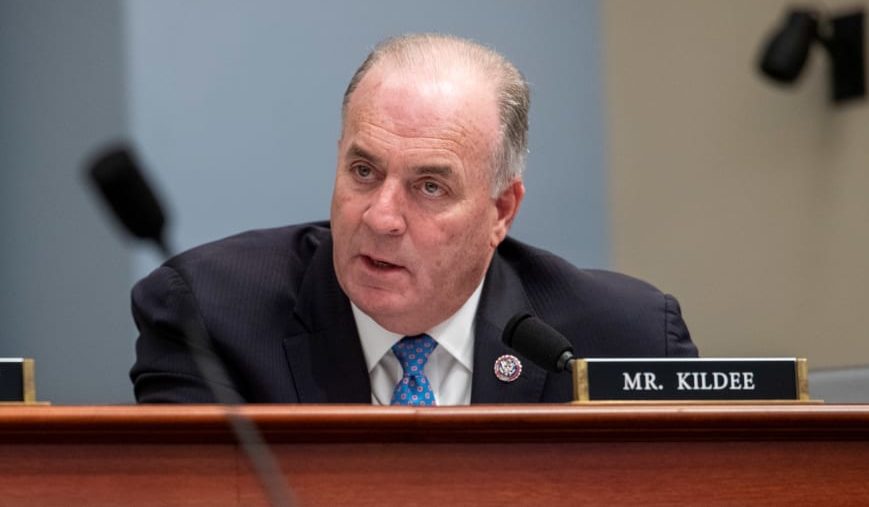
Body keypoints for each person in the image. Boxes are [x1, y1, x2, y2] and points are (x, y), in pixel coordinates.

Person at [130, 33, 697, 405]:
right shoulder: (211, 317)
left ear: (501, 210)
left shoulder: (625, 340)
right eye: (363, 171)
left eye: (430, 186)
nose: (381, 217)